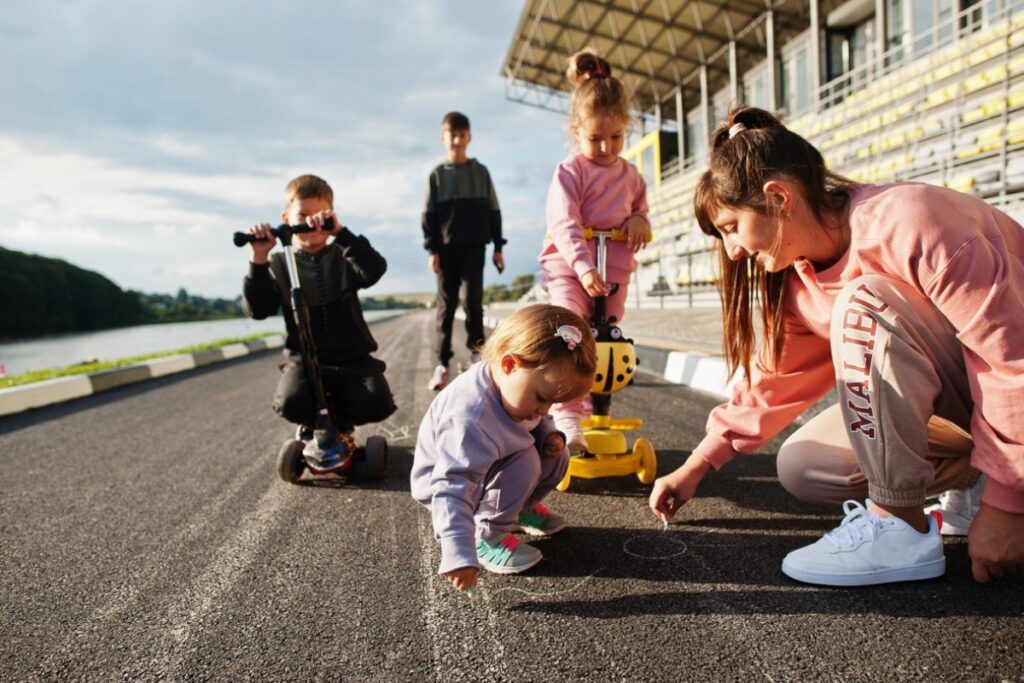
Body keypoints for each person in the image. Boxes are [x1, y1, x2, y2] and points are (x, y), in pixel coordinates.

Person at [649, 106, 1024, 587]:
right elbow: (773, 384)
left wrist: (1009, 505)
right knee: (806, 466)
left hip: (1009, 382)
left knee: (865, 300)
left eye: (729, 227)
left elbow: (1011, 359)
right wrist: (697, 466)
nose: (732, 252)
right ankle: (976, 483)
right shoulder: (800, 277)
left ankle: (899, 526)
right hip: (969, 410)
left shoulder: (913, 220)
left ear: (778, 197)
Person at [411, 304, 597, 594]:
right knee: (525, 462)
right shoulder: (469, 417)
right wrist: (458, 552)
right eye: (541, 399)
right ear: (510, 364)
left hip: (490, 462)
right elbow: (452, 486)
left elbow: (540, 418)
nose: (545, 409)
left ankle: (516, 511)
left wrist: (548, 432)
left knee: (556, 454)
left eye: (551, 403)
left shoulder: (516, 386)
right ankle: (487, 537)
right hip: (449, 488)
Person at [538, 48, 651, 453]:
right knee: (571, 333)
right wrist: (583, 267)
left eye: (616, 137)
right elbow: (564, 222)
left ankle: (596, 411)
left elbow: (641, 213)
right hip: (571, 268)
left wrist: (640, 221)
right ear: (576, 131)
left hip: (615, 270)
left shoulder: (633, 176)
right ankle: (568, 413)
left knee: (606, 342)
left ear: (628, 128)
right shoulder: (570, 172)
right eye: (595, 138)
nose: (606, 147)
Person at [242, 174, 397, 464]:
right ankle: (313, 424)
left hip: (352, 359)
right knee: (290, 401)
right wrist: (259, 258)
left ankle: (341, 428)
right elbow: (258, 309)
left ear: (330, 218)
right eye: (302, 215)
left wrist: (342, 234)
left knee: (377, 401)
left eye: (319, 216)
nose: (310, 224)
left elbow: (374, 270)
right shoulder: (278, 263)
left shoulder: (343, 255)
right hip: (305, 360)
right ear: (286, 217)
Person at [422, 111, 505, 391]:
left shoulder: (480, 172)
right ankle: (441, 364)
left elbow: (494, 210)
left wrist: (498, 247)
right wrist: (432, 250)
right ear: (443, 138)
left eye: (461, 135)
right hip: (445, 251)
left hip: (474, 247)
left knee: (472, 302)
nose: (457, 140)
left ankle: (476, 357)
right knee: (445, 308)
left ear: (468, 137)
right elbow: (428, 216)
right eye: (452, 135)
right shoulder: (436, 175)